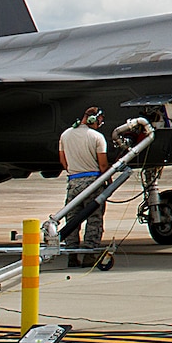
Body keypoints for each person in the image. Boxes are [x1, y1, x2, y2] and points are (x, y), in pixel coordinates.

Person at [56, 107, 109, 265]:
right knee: (94, 219)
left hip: (73, 182)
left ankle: (72, 255)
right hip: (93, 182)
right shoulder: (97, 137)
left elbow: (63, 161)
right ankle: (90, 255)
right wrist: (109, 181)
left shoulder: (65, 135)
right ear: (94, 120)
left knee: (72, 219)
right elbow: (103, 165)